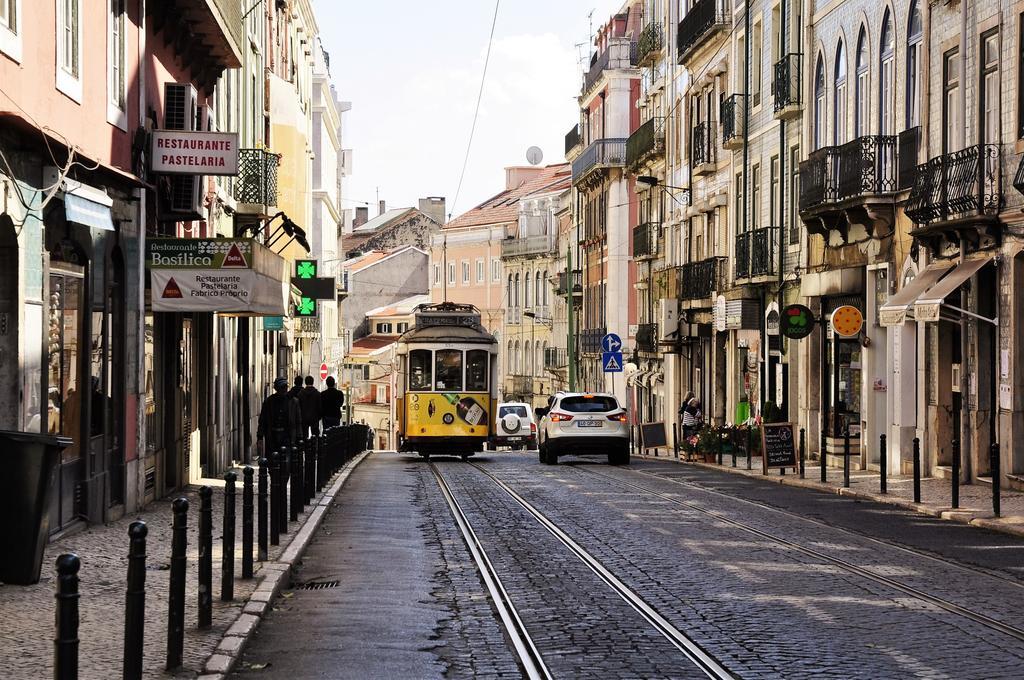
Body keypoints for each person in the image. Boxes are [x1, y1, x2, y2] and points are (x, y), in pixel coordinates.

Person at [257, 377, 300, 455]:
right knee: (273, 460)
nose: (284, 390)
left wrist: (299, 438)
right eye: (282, 387)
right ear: (276, 388)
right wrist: (260, 437)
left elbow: (298, 421)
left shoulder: (293, 402)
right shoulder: (269, 402)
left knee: (286, 461)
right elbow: (263, 420)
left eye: (285, 387)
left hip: (287, 436)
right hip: (272, 436)